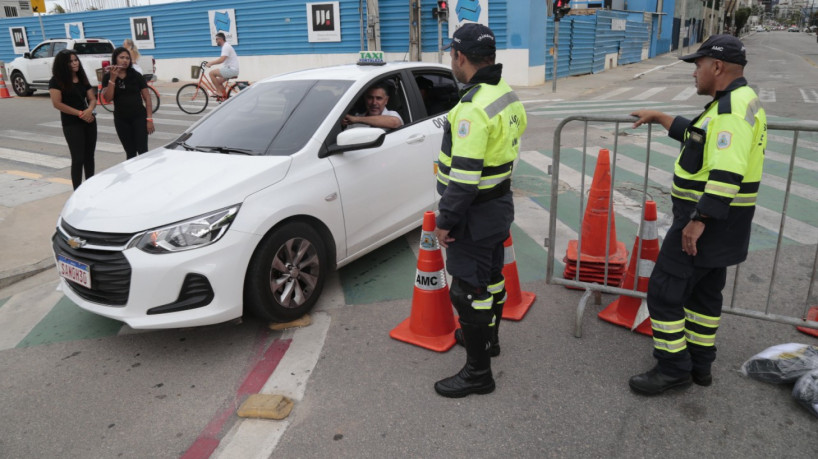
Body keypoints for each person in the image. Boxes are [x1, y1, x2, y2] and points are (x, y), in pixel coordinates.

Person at [629, 34, 766, 395]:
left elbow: (726, 172)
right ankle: (700, 365)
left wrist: (697, 221)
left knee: (663, 292)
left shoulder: (729, 111)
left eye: (698, 65)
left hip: (705, 222)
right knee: (704, 296)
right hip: (727, 222)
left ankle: (673, 368)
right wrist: (661, 117)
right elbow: (700, 139)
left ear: (717, 67)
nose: (694, 72)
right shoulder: (739, 100)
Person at [432, 23, 527, 398]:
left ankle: (478, 373)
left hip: (472, 214)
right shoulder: (505, 92)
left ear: (460, 56)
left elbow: (464, 179)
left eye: (451, 55)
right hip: (499, 204)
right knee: (491, 277)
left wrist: (445, 222)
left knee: (467, 292)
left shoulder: (471, 108)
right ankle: (490, 339)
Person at [49, 49, 97, 190]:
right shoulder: (56, 81)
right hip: (72, 123)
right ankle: (77, 191)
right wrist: (80, 113)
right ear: (63, 64)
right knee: (78, 159)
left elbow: (92, 98)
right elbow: (57, 103)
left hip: (89, 120)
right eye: (71, 61)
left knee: (90, 157)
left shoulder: (82, 77)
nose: (75, 63)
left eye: (76, 60)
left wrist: (89, 110)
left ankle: (90, 188)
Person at [101, 47, 155, 160]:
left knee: (143, 151)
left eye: (127, 58)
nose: (125, 60)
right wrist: (112, 79)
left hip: (139, 117)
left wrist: (149, 119)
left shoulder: (136, 75)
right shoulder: (108, 77)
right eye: (121, 57)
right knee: (130, 153)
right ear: (115, 59)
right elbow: (108, 98)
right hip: (121, 120)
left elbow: (147, 98)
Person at [206, 32, 239, 97]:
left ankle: (219, 92)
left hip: (231, 70)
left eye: (216, 39)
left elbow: (221, 60)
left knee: (211, 73)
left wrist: (210, 63)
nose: (216, 41)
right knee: (218, 82)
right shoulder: (226, 46)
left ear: (221, 39)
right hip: (231, 69)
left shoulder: (226, 47)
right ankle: (225, 96)